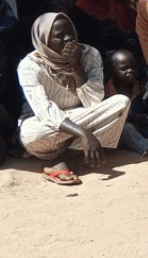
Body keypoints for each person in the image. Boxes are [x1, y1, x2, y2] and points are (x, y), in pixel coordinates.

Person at [17, 12, 131, 183]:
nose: (69, 38)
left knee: (122, 102)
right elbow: (45, 112)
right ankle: (76, 151)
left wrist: (76, 64)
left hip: (81, 115)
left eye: (70, 32)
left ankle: (66, 160)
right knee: (29, 134)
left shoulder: (90, 54)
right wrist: (83, 133)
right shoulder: (29, 65)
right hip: (49, 129)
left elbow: (92, 102)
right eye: (60, 36)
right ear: (44, 40)